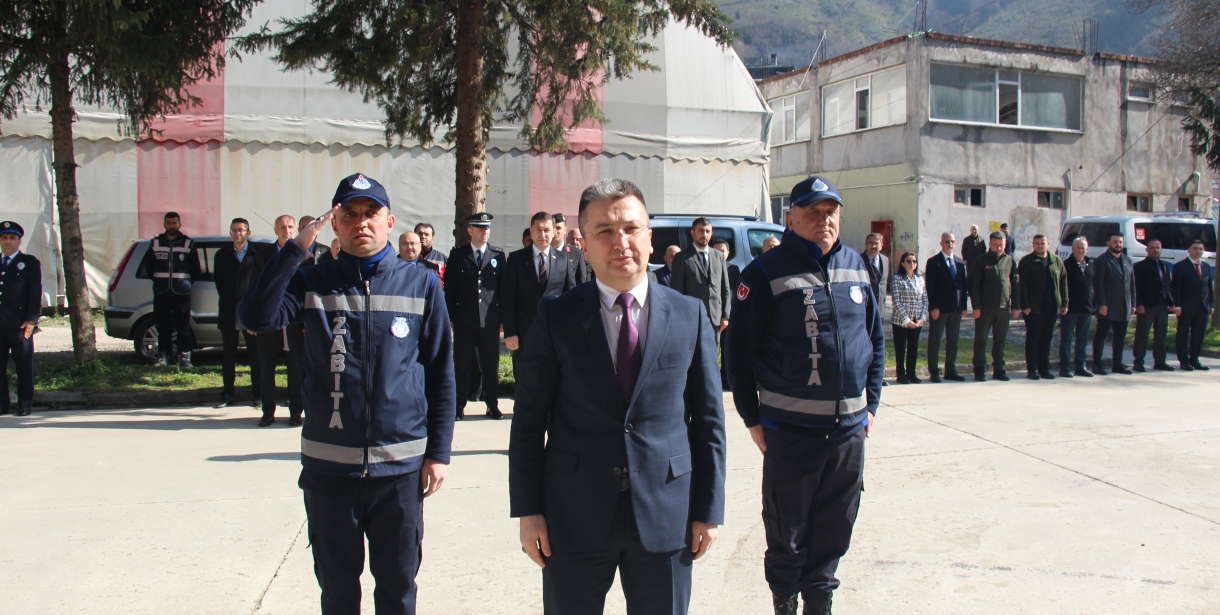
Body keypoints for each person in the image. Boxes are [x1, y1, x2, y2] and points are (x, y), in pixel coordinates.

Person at [241, 172, 455, 615]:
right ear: (335, 223)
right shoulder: (313, 282)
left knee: (397, 589)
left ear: (390, 221)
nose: (362, 222)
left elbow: (440, 373)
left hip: (400, 468)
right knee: (338, 593)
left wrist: (439, 452)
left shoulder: (422, 284)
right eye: (350, 214)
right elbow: (256, 316)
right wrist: (294, 251)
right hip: (329, 469)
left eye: (371, 213)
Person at [509, 178, 726, 615]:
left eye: (630, 228)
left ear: (649, 237)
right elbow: (529, 420)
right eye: (604, 231)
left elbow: (708, 420)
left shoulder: (689, 315)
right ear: (583, 246)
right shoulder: (556, 316)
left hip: (667, 513)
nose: (620, 241)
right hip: (573, 515)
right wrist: (528, 510)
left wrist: (709, 508)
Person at [726, 176, 884, 615]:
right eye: (813, 213)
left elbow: (875, 339)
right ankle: (785, 600)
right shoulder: (764, 274)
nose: (824, 220)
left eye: (830, 212)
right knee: (787, 528)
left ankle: (820, 600)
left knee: (837, 523)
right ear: (790, 220)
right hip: (791, 432)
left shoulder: (857, 264)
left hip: (850, 433)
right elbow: (738, 354)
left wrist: (871, 405)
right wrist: (751, 417)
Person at [248, 214, 315, 426]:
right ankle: (268, 411)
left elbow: (309, 293)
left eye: (290, 227)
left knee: (296, 370)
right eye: (282, 227)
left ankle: (296, 412)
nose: (287, 231)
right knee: (266, 369)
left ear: (295, 230)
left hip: (294, 322)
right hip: (269, 322)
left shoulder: (306, 257)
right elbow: (254, 288)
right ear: (275, 231)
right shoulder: (263, 256)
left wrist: (307, 323)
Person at [502, 211, 577, 387]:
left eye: (546, 230)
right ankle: (524, 413)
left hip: (555, 331)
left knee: (553, 377)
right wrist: (510, 332)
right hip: (524, 331)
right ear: (531, 231)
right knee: (523, 376)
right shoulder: (516, 259)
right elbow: (508, 298)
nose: (542, 235)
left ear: (554, 232)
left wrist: (570, 330)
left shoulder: (564, 259)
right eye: (538, 230)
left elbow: (570, 296)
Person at [445, 213, 506, 420]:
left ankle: (492, 405)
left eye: (487, 228)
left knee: (490, 365)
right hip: (464, 320)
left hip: (490, 320)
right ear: (470, 230)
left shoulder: (498, 256)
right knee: (462, 364)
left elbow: (502, 291)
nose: (484, 231)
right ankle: (458, 405)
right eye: (480, 228)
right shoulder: (458, 255)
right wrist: (450, 317)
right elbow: (450, 290)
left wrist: (503, 319)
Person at [212, 218, 263, 408]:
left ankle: (257, 394)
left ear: (248, 233)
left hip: (251, 313)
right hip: (228, 311)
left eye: (241, 230)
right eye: (233, 230)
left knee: (255, 355)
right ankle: (227, 394)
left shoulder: (257, 253)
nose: (237, 233)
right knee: (228, 355)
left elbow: (262, 283)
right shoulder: (222, 255)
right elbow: (219, 281)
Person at [139, 211, 200, 367]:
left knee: (183, 327)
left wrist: (185, 283)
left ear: (179, 224)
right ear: (164, 224)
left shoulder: (188, 243)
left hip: (182, 293)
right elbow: (149, 267)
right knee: (163, 326)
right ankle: (163, 357)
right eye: (169, 223)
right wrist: (161, 281)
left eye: (174, 223)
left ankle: (185, 358)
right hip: (162, 293)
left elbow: (195, 269)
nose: (171, 226)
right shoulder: (156, 243)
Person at [0, 221, 41, 417]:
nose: (8, 241)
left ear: (19, 241)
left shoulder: (29, 262)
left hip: (19, 324)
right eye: (4, 238)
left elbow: (34, 292)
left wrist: (32, 320)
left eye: (12, 238)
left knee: (23, 365)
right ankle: (2, 404)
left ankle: (24, 403)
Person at [969, 231, 1020, 382]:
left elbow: (1016, 284)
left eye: (1001, 245)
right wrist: (976, 306)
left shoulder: (1010, 261)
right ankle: (979, 369)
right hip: (985, 308)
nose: (998, 248)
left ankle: (999, 368)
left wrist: (1016, 306)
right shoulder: (981, 261)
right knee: (981, 339)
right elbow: (974, 285)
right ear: (990, 244)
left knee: (1000, 340)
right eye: (995, 244)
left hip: (1003, 308)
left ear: (1005, 245)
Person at [670, 217, 731, 343]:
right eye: (701, 231)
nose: (704, 235)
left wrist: (725, 315)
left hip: (714, 319)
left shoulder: (718, 256)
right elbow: (676, 292)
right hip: (691, 319)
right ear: (693, 233)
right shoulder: (682, 258)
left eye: (708, 231)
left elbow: (725, 288)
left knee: (712, 357)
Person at [1016, 235, 1068, 380]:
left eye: (1042, 243)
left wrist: (1064, 303)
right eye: (1037, 243)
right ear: (1033, 244)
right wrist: (1024, 305)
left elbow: (1063, 282)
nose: (1040, 246)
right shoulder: (1027, 262)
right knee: (1033, 338)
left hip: (1052, 307)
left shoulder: (1056, 261)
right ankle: (1032, 369)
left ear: (1048, 244)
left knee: (1047, 338)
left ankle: (1044, 368)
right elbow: (1022, 285)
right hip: (1034, 308)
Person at [924, 232, 968, 382]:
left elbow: (963, 286)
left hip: (955, 309)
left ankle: (951, 369)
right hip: (940, 309)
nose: (950, 244)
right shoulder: (933, 262)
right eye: (947, 241)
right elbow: (930, 286)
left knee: (953, 341)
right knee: (935, 340)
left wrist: (963, 306)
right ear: (941, 243)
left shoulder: (960, 263)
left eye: (952, 241)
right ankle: (934, 371)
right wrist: (933, 307)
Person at [1092, 232, 1136, 375]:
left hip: (1124, 306)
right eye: (1115, 241)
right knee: (1101, 335)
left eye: (1120, 242)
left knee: (1120, 337)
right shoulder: (1102, 260)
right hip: (1107, 307)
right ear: (1108, 243)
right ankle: (1097, 364)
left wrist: (1133, 303)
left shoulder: (1127, 260)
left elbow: (1132, 285)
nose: (1118, 244)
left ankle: (1117, 363)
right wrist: (1102, 304)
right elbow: (1098, 285)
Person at [1171, 240, 1214, 371]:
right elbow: (1176, 287)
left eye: (1201, 249)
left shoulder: (1206, 267)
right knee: (1183, 334)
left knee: (1198, 335)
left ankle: (1194, 359)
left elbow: (1208, 287)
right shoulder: (1181, 266)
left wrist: (1211, 304)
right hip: (1186, 307)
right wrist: (1177, 306)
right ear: (1189, 250)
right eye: (1195, 248)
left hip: (1202, 307)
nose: (1198, 251)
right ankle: (1183, 361)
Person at [1132, 239, 1175, 372]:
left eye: (1158, 248)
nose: (1155, 250)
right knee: (1142, 334)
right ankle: (1138, 361)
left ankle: (1160, 361)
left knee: (1161, 334)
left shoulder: (1164, 265)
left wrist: (1171, 302)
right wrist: (1138, 304)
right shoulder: (1139, 266)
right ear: (1147, 250)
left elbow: (1167, 285)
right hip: (1146, 305)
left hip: (1162, 305)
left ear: (1161, 249)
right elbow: (1136, 287)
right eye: (1152, 248)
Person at [890, 251, 928, 384]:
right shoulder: (897, 279)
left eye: (914, 261)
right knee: (900, 348)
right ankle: (901, 374)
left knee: (913, 347)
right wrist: (907, 320)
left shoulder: (920, 279)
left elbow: (924, 299)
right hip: (901, 321)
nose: (912, 264)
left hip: (917, 320)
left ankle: (911, 373)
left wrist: (923, 317)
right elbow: (896, 301)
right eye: (909, 261)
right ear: (902, 263)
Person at [1059, 237, 1094, 378]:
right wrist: (1064, 304)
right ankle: (1065, 367)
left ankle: (1080, 366)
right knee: (1066, 340)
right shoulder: (1066, 265)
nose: (1080, 250)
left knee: (1082, 340)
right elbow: (1062, 286)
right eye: (1078, 248)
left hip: (1086, 308)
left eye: (1083, 248)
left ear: (1087, 249)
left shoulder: (1091, 264)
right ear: (1072, 249)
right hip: (1070, 309)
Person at [552, 213, 589, 283]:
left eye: (558, 228)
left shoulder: (576, 254)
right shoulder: (543, 253)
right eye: (553, 228)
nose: (555, 231)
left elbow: (581, 282)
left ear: (565, 230)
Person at [860, 233, 889, 307]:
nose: (873, 246)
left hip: (880, 305)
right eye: (870, 243)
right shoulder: (859, 260)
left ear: (881, 245)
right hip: (864, 304)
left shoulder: (885, 260)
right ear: (866, 244)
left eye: (876, 243)